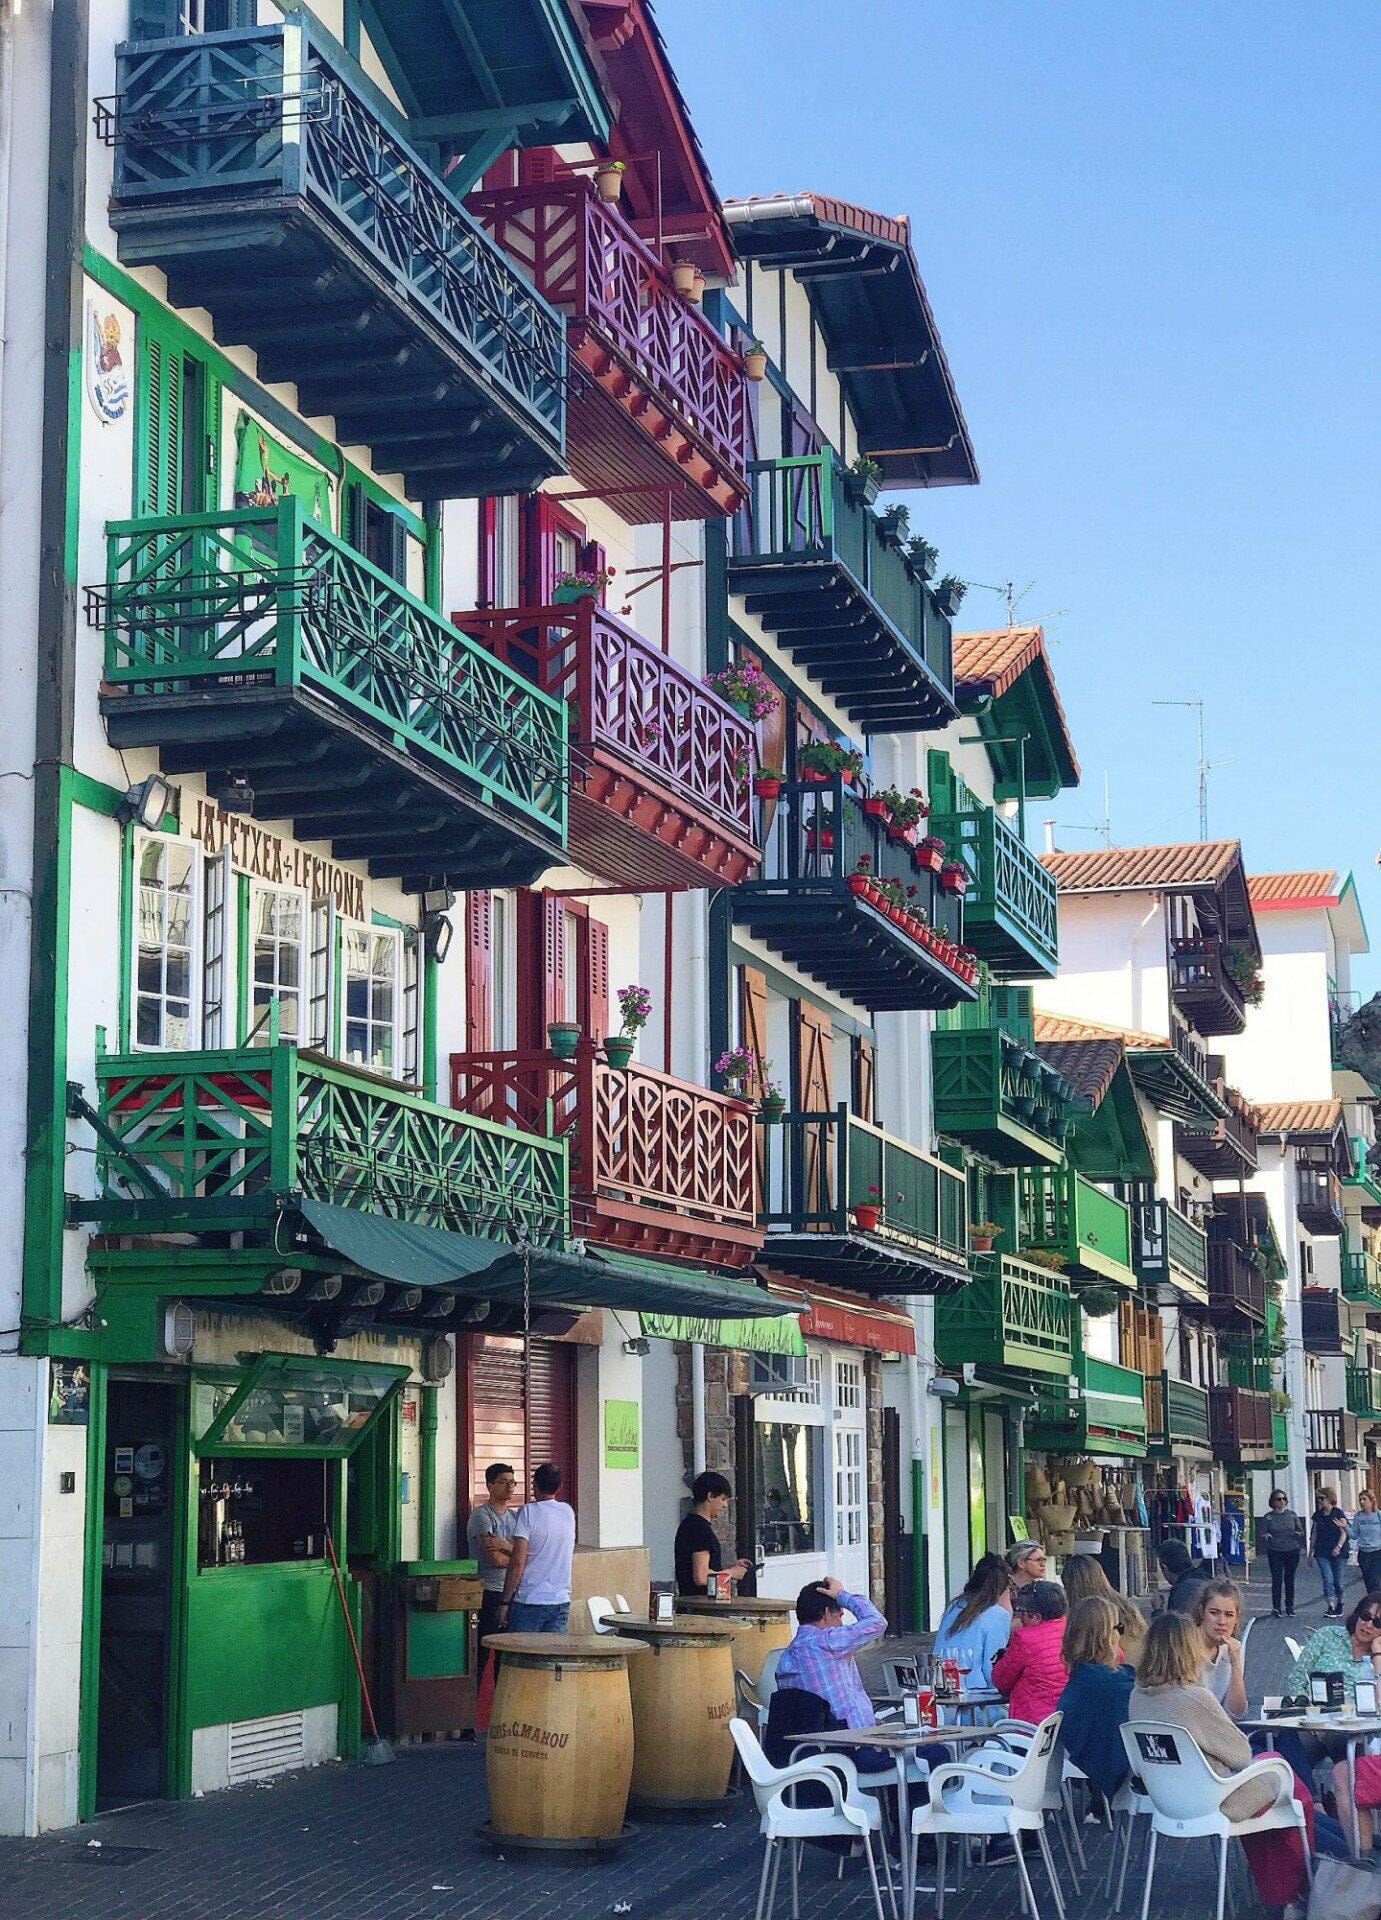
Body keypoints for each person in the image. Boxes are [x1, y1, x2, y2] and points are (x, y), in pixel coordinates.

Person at [1130, 1612, 1316, 1909]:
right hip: (1214, 1798)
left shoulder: (1137, 1698)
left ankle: (1284, 1892)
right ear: (1187, 1650)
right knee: (1285, 1778)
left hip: (1166, 1799)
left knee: (1281, 1788)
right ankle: (1301, 1888)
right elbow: (1241, 1753)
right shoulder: (1194, 1699)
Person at [774, 1577, 887, 1730]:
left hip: (810, 1740)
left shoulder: (786, 1659)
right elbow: (877, 1622)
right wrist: (842, 1595)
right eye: (840, 1615)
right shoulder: (827, 1641)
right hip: (852, 1737)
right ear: (827, 1613)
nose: (841, 1623)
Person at [1056, 1596, 1136, 1799]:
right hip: (1124, 1777)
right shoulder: (1114, 1686)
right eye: (1118, 1627)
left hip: (1074, 1762)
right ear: (1106, 1636)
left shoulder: (1082, 1678)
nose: (1120, 1634)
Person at [498, 1463, 576, 1634]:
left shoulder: (528, 1512)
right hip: (560, 1601)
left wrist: (505, 1601)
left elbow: (517, 1563)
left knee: (522, 1651)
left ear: (534, 1485)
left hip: (529, 1601)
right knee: (552, 1650)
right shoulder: (568, 1512)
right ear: (560, 1487)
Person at [932, 1554, 1012, 1706]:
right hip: (978, 1699)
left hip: (943, 1693)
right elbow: (992, 1669)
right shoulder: (998, 1615)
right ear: (1004, 1587)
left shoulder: (954, 1607)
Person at [991, 1580, 1069, 1726]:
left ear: (1036, 1617)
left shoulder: (1025, 1639)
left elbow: (1000, 1680)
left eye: (1021, 1613)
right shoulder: (1072, 1630)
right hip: (1064, 1721)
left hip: (1032, 1726)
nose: (1019, 1618)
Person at [466, 1461, 519, 1673]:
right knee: (483, 1651)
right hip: (488, 1592)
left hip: (512, 1592)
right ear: (489, 1485)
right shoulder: (482, 1516)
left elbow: (527, 1556)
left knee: (506, 1656)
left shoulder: (516, 1516)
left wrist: (504, 1545)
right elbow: (495, 1559)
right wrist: (515, 1553)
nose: (510, 1487)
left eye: (512, 1482)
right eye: (503, 1482)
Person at [674, 1470, 749, 1597]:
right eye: (723, 1499)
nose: (725, 1505)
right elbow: (701, 1577)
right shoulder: (700, 1530)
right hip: (701, 1603)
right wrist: (731, 1573)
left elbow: (698, 1567)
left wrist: (729, 1568)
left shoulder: (688, 1524)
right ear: (710, 1496)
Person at [1062, 1554, 1146, 1663]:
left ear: (1070, 1587)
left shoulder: (1086, 1615)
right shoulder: (1125, 1605)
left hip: (1113, 1665)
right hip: (1138, 1664)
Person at [1190, 1578, 1248, 1718]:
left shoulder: (1232, 1649)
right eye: (1214, 1612)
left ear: (1236, 1619)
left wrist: (1235, 1663)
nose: (1221, 1621)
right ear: (1202, 1612)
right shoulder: (1186, 1645)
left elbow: (1236, 1713)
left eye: (1229, 1615)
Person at [1257, 1488, 1305, 1616]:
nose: (1282, 1501)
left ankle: (1289, 1607)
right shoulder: (1268, 1517)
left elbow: (1300, 1530)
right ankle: (1276, 1607)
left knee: (1290, 1579)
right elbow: (1262, 1532)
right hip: (1275, 1551)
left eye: (1284, 1499)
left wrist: (1297, 1534)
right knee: (1277, 1579)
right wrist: (1266, 1535)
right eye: (1279, 1499)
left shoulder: (1292, 1515)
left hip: (1292, 1550)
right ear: (1273, 1501)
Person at [1311, 1486, 1349, 1616]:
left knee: (1338, 1581)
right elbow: (1314, 1534)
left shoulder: (1338, 1513)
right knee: (1328, 1578)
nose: (1319, 1501)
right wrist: (1310, 1553)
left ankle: (1340, 1603)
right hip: (1322, 1551)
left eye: (1322, 1498)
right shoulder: (1317, 1515)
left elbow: (1344, 1532)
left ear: (1329, 1498)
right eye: (1318, 1498)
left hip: (1339, 1552)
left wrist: (1338, 1547)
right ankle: (1331, 1606)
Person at [1156, 1536, 1209, 1614]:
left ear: (1165, 1568)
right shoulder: (1205, 1578)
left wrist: (1157, 1609)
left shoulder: (1182, 1591)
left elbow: (1175, 1621)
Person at [1350, 1488, 1381, 1595]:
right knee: (1368, 1582)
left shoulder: (1378, 1515)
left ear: (1372, 1501)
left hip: (1377, 1553)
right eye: (1360, 1499)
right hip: (1363, 1553)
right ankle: (1373, 1602)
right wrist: (1345, 1526)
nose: (1362, 1502)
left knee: (1375, 1581)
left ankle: (1377, 1603)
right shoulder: (1358, 1516)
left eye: (1364, 1499)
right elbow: (1354, 1535)